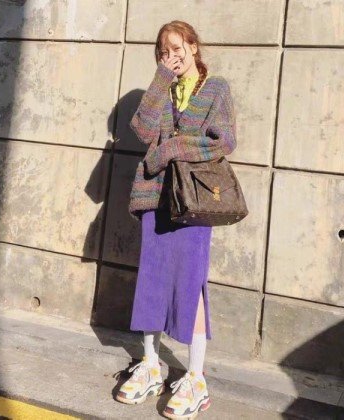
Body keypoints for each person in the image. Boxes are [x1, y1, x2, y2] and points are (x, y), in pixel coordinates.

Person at [116, 20, 237, 419]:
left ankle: (196, 378)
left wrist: (171, 149)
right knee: (151, 281)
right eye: (164, 52)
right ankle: (151, 364)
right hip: (155, 198)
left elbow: (224, 140)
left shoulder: (215, 88)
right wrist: (160, 79)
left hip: (195, 201)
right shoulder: (162, 89)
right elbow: (141, 130)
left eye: (177, 48)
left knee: (190, 283)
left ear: (193, 46)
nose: (172, 56)